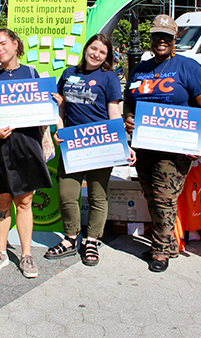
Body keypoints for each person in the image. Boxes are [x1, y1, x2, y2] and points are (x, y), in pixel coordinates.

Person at [124, 15, 201, 273]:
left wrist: (198, 141)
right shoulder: (141, 69)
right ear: (150, 39)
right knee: (151, 196)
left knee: (164, 198)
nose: (161, 40)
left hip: (175, 149)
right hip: (144, 146)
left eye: (167, 37)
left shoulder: (188, 67)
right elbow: (129, 100)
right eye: (156, 36)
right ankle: (169, 243)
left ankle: (160, 250)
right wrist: (129, 116)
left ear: (175, 40)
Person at [47, 33, 135, 266]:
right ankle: (70, 237)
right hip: (73, 143)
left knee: (98, 195)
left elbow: (114, 112)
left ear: (107, 56)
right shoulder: (68, 73)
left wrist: (124, 143)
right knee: (67, 194)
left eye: (102, 52)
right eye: (93, 48)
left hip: (101, 143)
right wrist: (59, 127)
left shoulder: (109, 78)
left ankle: (92, 240)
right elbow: (61, 105)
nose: (96, 54)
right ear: (86, 49)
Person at [0, 29, 53, 279]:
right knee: (1, 200)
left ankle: (26, 254)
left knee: (25, 201)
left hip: (26, 145)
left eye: (3, 44)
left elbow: (42, 107)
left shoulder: (30, 73)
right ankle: (0, 252)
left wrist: (54, 103)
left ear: (15, 44)